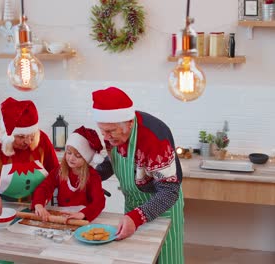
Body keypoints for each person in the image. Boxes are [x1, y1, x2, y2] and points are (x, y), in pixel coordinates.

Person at [92, 87, 184, 264]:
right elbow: (113, 161)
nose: (106, 137)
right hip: (133, 207)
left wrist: (136, 217)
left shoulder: (155, 137)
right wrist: (92, 178)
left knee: (164, 259)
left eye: (110, 131)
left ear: (130, 123)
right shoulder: (111, 129)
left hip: (162, 207)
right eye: (102, 131)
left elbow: (169, 191)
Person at [0, 97, 58, 216]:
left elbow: (56, 174)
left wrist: (41, 199)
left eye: (32, 135)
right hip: (1, 209)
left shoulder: (42, 139)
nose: (28, 142)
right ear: (7, 134)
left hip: (38, 207)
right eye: (21, 137)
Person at [32, 126, 106, 222]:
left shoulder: (93, 176)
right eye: (69, 153)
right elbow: (44, 187)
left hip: (82, 217)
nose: (71, 158)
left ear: (86, 158)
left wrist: (83, 214)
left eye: (78, 156)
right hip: (62, 216)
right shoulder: (59, 170)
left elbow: (99, 202)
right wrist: (39, 204)